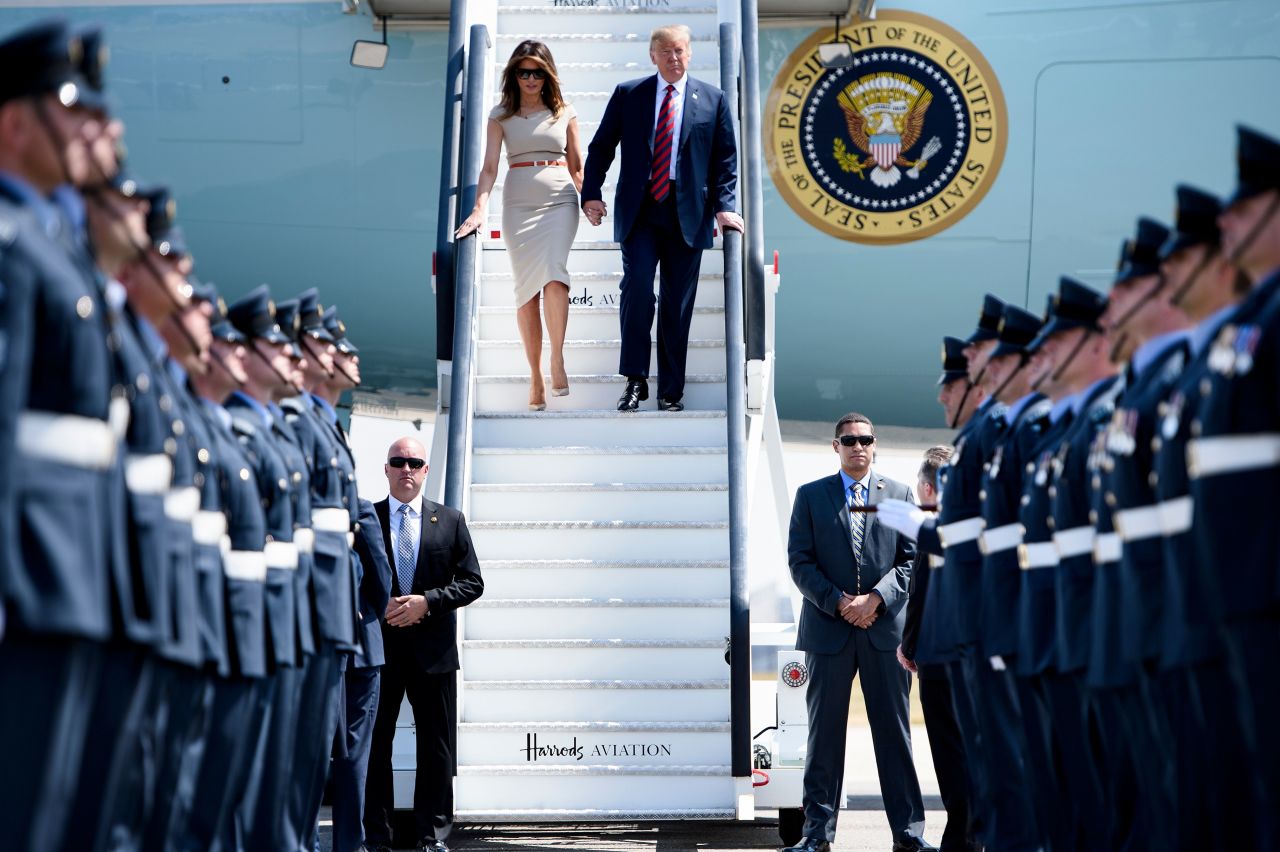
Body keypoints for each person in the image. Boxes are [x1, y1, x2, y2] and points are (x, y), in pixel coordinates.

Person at [785, 413, 929, 852]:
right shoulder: (810, 496)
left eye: (865, 439)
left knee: (894, 735)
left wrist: (876, 600)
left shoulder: (900, 495)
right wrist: (840, 602)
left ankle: (908, 835)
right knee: (823, 736)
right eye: (849, 440)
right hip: (829, 632)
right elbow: (799, 561)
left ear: (874, 443)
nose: (858, 446)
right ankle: (816, 835)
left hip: (884, 633)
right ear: (836, 446)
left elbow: (911, 561)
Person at [581, 24, 742, 412]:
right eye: (666, 52)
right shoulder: (629, 94)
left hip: (689, 212)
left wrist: (725, 205)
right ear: (653, 56)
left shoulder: (714, 99)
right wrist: (591, 193)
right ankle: (636, 380)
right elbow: (602, 146)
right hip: (642, 210)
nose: (674, 58)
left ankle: (671, 390)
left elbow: (726, 159)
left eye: (681, 51)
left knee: (677, 305)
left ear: (690, 53)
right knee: (637, 288)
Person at [365, 437, 484, 852]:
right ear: (386, 469)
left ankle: (431, 836)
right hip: (380, 652)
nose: (406, 469)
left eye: (414, 462)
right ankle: (376, 836)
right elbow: (350, 579)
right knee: (375, 746)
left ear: (426, 470)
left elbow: (473, 582)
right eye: (397, 461)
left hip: (433, 654)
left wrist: (427, 603)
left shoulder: (450, 521)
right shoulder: (368, 519)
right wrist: (377, 605)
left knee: (434, 748)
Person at [455, 40, 581, 410]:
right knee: (526, 292)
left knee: (556, 276)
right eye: (523, 71)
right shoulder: (501, 115)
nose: (530, 78)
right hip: (518, 204)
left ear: (547, 75)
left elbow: (577, 167)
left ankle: (556, 358)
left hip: (559, 200)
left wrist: (590, 199)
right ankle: (535, 374)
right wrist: (480, 208)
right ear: (513, 74)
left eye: (537, 72)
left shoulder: (565, 111)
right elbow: (490, 167)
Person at [898, 443, 977, 852]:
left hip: (939, 658)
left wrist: (908, 646)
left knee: (950, 755)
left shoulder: (935, 529)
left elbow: (921, 595)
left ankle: (962, 840)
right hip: (976, 656)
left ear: (928, 489)